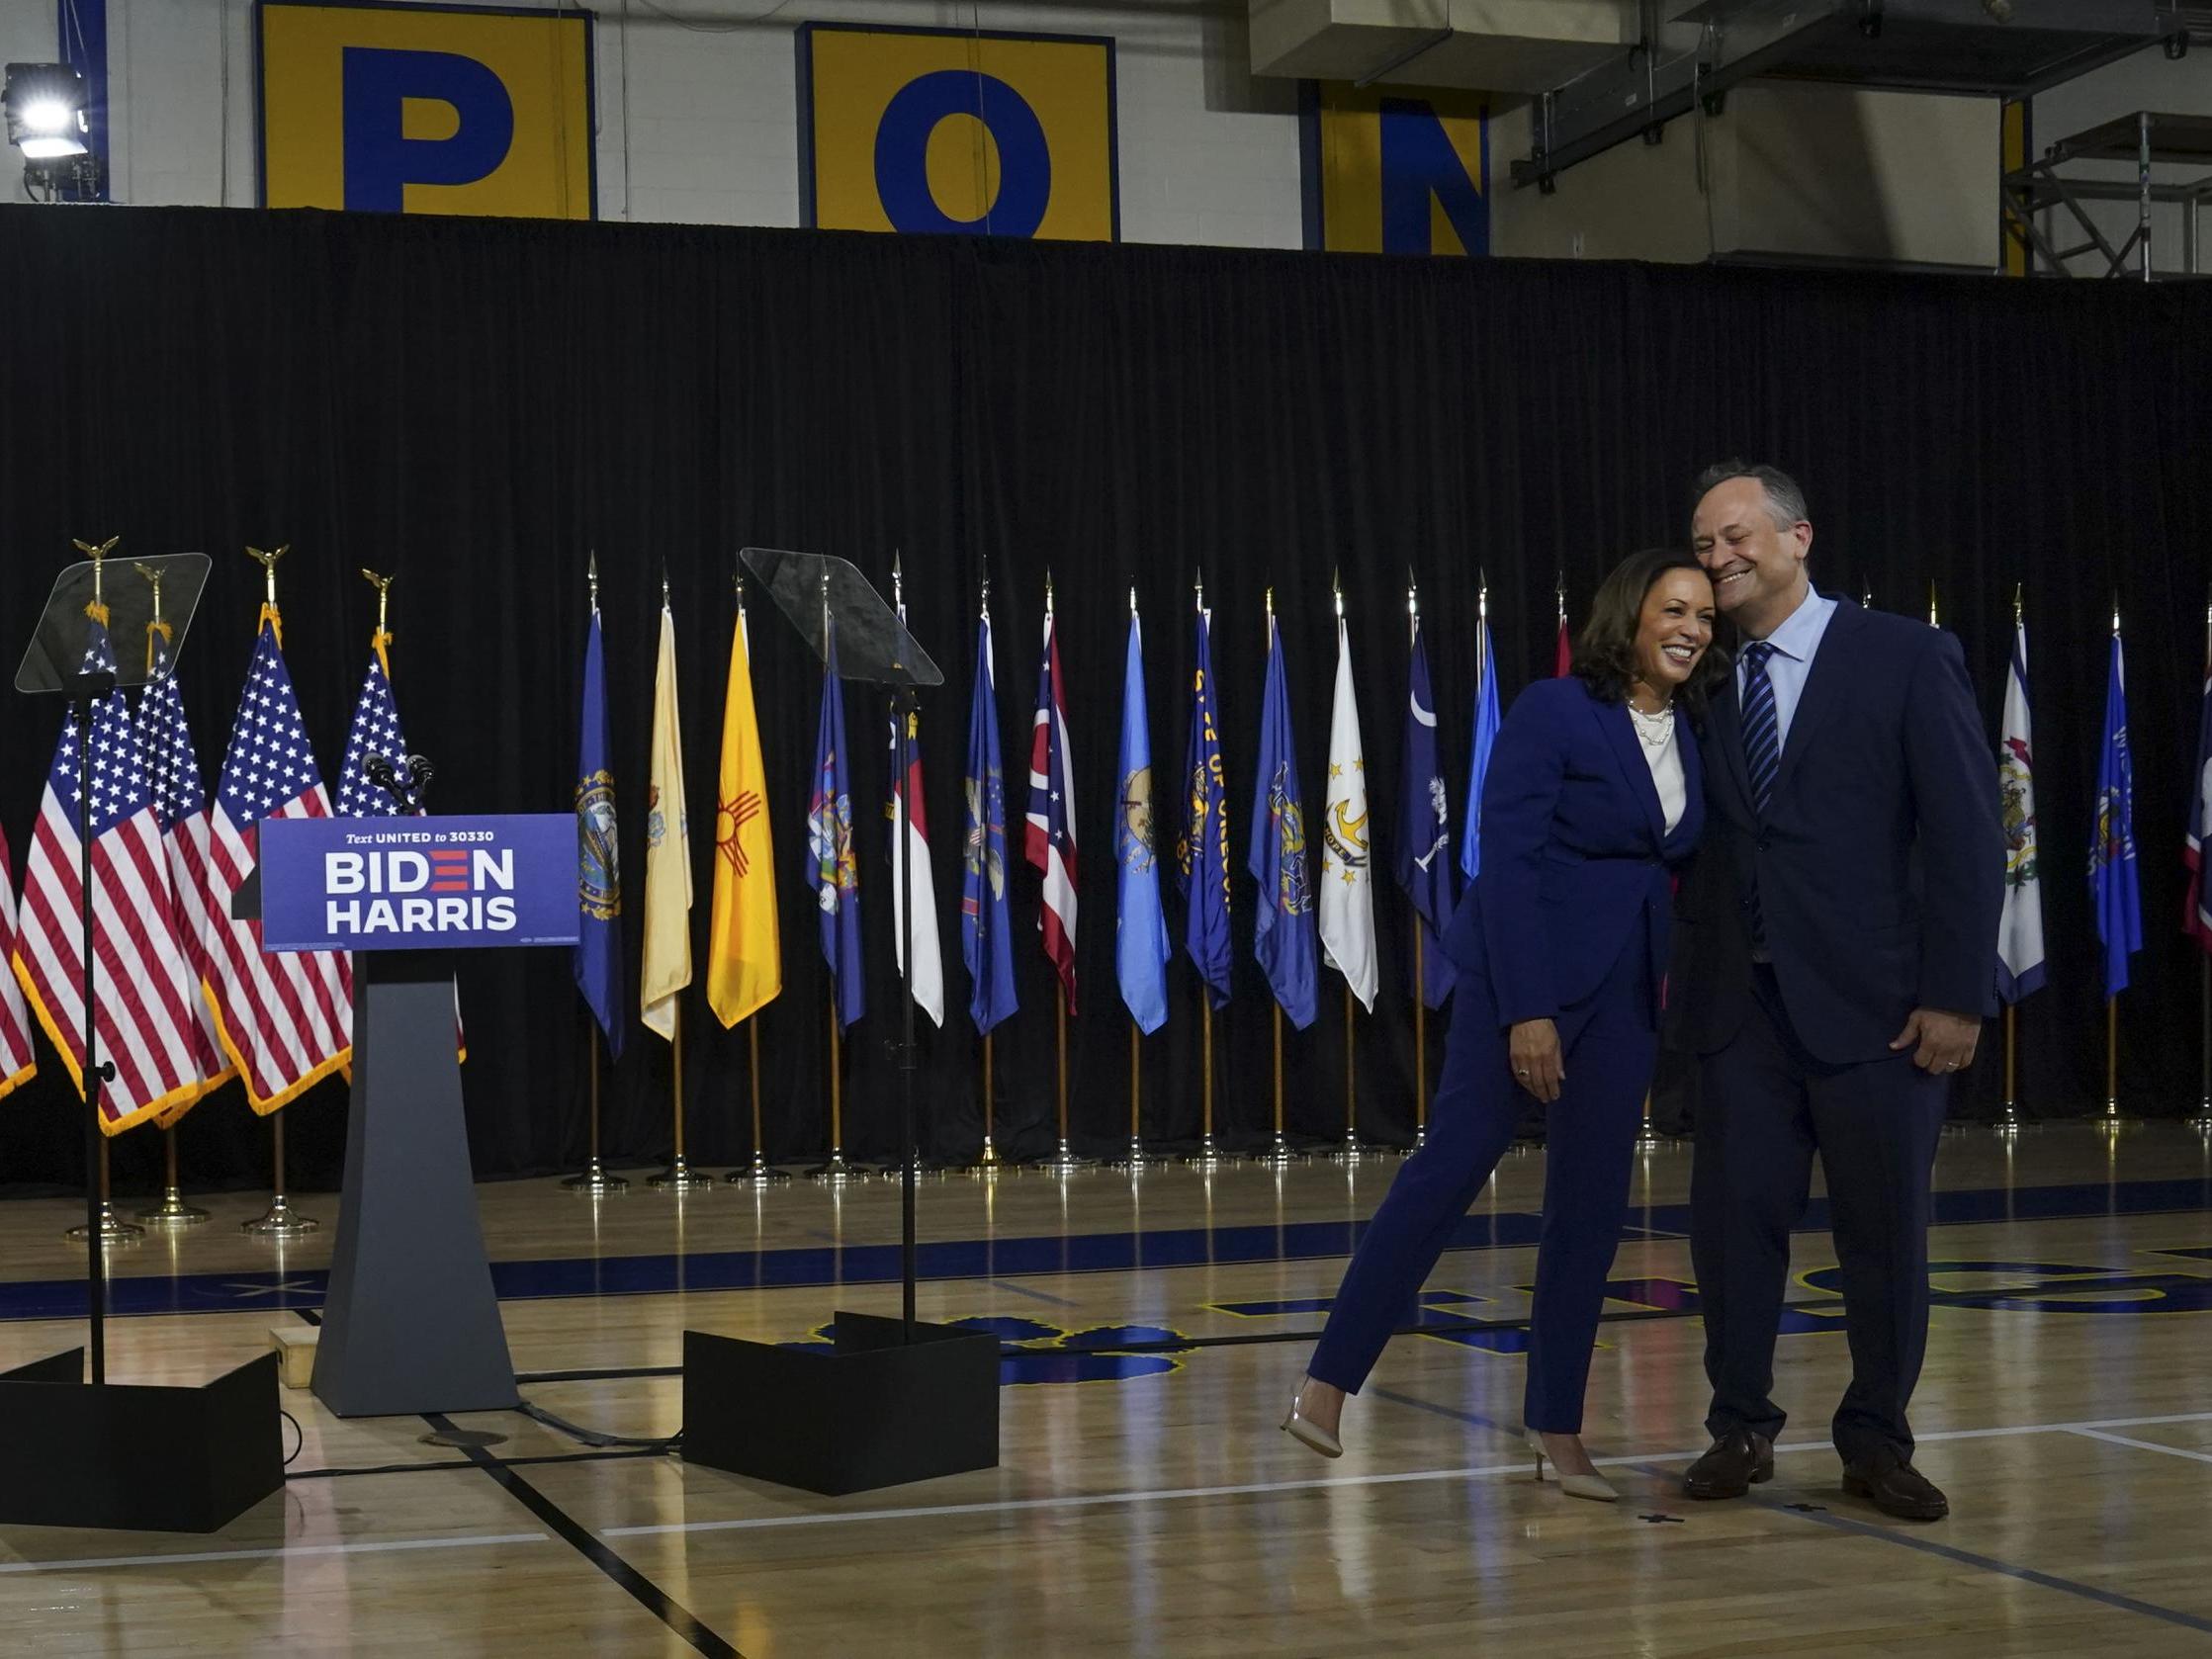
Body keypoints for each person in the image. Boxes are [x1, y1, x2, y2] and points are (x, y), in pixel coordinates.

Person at [1282, 549, 1721, 1502]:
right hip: (1521, 984)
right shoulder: (1555, 709)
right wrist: (1528, 1010)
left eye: (1704, 616)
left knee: (1591, 1213)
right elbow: (1507, 863)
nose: (1691, 627)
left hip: (1625, 1000)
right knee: (1446, 1175)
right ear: (1629, 619)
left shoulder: (1696, 728)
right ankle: (1327, 1380)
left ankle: (1557, 1429)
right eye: (1673, 610)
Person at [1673, 461, 2001, 1522]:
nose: (1718, 556)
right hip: (1740, 1012)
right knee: (1730, 1232)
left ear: (1796, 536)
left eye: (1735, 536)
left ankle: (1875, 1439)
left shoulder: (1905, 654)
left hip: (1881, 1012)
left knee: (1882, 1233)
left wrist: (1956, 994)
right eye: (1703, 543)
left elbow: (1964, 834)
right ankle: (1738, 1426)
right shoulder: (1707, 678)